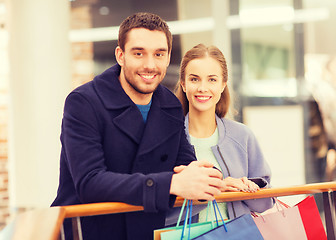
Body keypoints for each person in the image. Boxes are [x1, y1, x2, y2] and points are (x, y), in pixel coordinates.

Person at [51, 13, 225, 240]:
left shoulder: (169, 105)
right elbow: (90, 182)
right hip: (90, 230)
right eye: (139, 53)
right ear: (120, 55)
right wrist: (172, 183)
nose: (150, 65)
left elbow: (184, 163)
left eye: (159, 54)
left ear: (168, 56)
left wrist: (210, 177)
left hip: (146, 230)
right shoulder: (83, 102)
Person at [172, 43, 274, 222]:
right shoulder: (167, 138)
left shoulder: (242, 136)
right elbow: (160, 211)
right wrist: (217, 188)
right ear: (184, 84)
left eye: (212, 79)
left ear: (222, 84)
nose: (203, 88)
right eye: (194, 79)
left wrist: (249, 189)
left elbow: (266, 203)